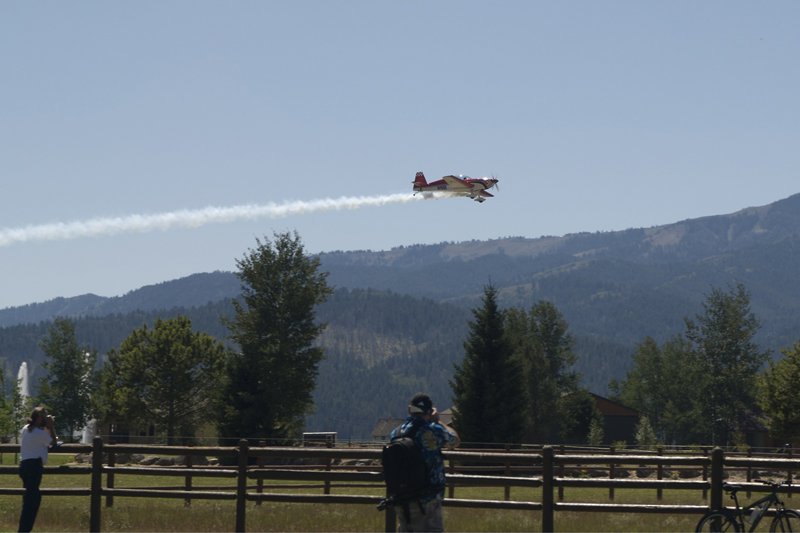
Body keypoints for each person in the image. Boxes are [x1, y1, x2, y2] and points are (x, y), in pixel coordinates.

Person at [390, 393, 460, 532]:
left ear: (410, 410)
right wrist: (438, 421)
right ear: (429, 411)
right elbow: (455, 441)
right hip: (427, 497)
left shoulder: (397, 432)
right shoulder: (431, 430)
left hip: (402, 496)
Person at [18, 407, 58, 533]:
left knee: (32, 498)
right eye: (45, 417)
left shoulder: (26, 428)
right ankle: (24, 530)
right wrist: (51, 426)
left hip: (24, 465)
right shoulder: (38, 433)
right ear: (40, 418)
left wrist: (46, 426)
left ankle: (25, 528)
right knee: (31, 502)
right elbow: (53, 442)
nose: (48, 419)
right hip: (34, 467)